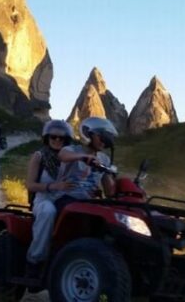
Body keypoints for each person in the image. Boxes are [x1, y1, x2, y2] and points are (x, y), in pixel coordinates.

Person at [24, 119, 75, 277]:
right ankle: (34, 260)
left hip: (66, 198)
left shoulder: (71, 158)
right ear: (47, 138)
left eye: (61, 138)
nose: (57, 140)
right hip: (43, 199)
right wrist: (53, 186)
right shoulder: (39, 156)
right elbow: (30, 185)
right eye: (53, 137)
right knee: (48, 211)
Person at [54, 117, 118, 211]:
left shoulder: (104, 159)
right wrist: (83, 157)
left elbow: (109, 192)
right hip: (67, 198)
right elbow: (62, 155)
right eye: (101, 136)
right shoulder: (73, 150)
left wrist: (109, 174)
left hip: (90, 201)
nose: (103, 141)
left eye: (107, 138)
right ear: (88, 134)